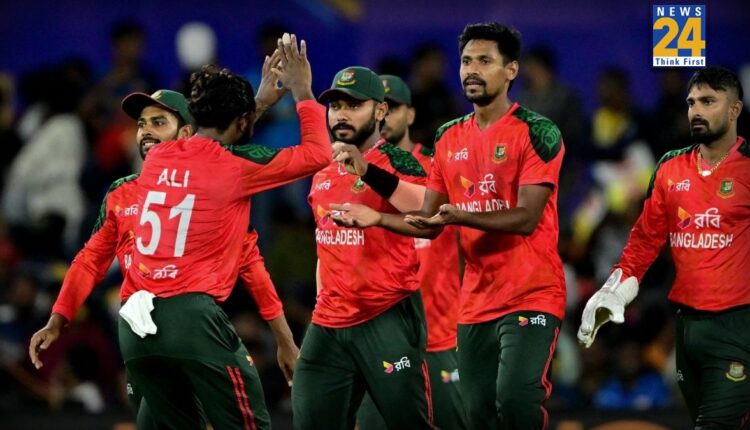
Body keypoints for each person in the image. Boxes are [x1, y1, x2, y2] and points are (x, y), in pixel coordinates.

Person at [29, 55, 300, 424]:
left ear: (187, 134)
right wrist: (58, 318)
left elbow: (251, 262)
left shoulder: (214, 187)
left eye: (159, 122)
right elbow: (90, 260)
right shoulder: (121, 192)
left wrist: (284, 338)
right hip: (143, 334)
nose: (145, 131)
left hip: (193, 329)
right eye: (141, 124)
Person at [330, 22, 566, 430]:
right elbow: (430, 218)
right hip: (474, 302)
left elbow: (527, 218)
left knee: (516, 401)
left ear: (511, 70)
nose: (472, 70)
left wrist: (461, 215)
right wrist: (379, 214)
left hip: (532, 293)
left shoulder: (537, 131)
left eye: (485, 61)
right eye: (466, 61)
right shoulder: (449, 136)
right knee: (478, 416)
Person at [115, 35, 329, 429]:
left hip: (134, 323)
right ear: (241, 122)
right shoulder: (236, 167)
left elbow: (215, 141)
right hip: (191, 319)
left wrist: (257, 105)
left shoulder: (158, 156)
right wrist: (302, 91)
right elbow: (319, 154)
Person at [578, 66, 750, 428]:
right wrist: (614, 291)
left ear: (735, 109)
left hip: (738, 326)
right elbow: (644, 241)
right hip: (686, 329)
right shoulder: (670, 167)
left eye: (708, 102)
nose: (696, 111)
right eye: (691, 103)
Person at [292, 66, 434, 430]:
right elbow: (325, 248)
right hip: (328, 323)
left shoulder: (399, 160)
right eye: (336, 105)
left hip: (385, 315)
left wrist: (367, 171)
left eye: (354, 105)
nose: (341, 114)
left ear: (380, 110)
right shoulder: (323, 171)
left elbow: (428, 212)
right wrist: (321, 304)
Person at [352, 74, 467, 430]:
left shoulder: (439, 168)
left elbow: (470, 238)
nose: (384, 116)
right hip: (379, 339)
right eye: (376, 108)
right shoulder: (351, 173)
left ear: (411, 114)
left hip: (440, 336)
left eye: (394, 108)